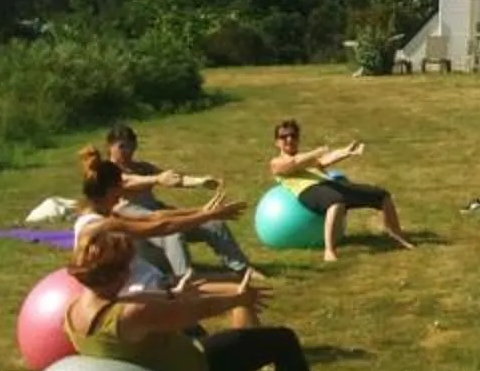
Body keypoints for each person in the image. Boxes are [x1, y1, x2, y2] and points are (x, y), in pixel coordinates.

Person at [63, 222, 335, 371]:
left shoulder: (73, 310)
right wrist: (238, 298)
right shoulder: (133, 314)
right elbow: (194, 312)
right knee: (282, 340)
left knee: (194, 342)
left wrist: (170, 294)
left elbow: (134, 300)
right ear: (121, 271)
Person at [73, 146, 248, 298]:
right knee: (238, 291)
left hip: (154, 283)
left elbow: (155, 217)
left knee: (232, 282)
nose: (121, 196)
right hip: (146, 293)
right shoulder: (102, 226)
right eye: (120, 189)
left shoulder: (102, 216)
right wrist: (208, 216)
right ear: (110, 189)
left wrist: (202, 211)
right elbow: (162, 227)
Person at [103, 122, 255, 282]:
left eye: (131, 147)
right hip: (136, 225)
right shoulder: (107, 170)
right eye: (122, 147)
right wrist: (157, 179)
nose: (128, 152)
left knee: (213, 223)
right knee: (173, 233)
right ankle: (185, 279)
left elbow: (173, 179)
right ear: (110, 146)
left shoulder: (142, 167)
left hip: (157, 214)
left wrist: (200, 181)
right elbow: (126, 182)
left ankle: (243, 269)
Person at [263, 118, 414, 262]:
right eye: (284, 137)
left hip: (330, 184)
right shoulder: (276, 163)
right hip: (308, 191)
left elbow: (322, 161)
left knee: (382, 195)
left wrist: (345, 152)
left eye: (293, 136)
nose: (289, 139)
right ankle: (329, 250)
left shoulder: (307, 158)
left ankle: (397, 235)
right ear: (277, 142)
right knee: (335, 202)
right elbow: (293, 163)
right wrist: (317, 151)